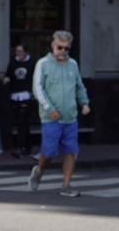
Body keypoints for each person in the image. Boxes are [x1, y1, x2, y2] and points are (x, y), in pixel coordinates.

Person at [28, 31, 90, 197]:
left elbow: (79, 86)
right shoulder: (43, 64)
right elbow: (37, 89)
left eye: (66, 48)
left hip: (70, 117)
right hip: (51, 118)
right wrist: (50, 109)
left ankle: (66, 185)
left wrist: (84, 103)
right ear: (53, 45)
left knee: (71, 152)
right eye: (59, 47)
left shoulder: (73, 65)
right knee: (48, 154)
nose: (62, 51)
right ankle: (39, 171)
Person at [3, 44, 36, 159]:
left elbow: (36, 77)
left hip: (27, 95)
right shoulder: (13, 62)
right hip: (15, 95)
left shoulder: (32, 62)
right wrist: (6, 79)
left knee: (23, 121)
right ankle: (27, 147)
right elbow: (9, 74)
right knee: (21, 123)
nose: (18, 54)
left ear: (25, 52)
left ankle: (20, 147)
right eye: (17, 51)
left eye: (21, 51)